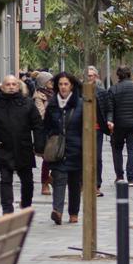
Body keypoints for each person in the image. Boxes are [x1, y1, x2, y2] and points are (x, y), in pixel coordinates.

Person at [0, 75, 43, 214]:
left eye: (13, 84)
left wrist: (38, 146)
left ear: (18, 86)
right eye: (7, 84)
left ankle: (26, 205)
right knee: (5, 180)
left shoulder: (27, 103)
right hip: (4, 148)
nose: (11, 87)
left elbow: (37, 125)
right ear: (2, 87)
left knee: (27, 181)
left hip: (24, 147)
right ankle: (7, 210)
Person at [43, 72, 85, 225]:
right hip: (58, 150)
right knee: (59, 179)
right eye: (60, 84)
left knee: (74, 183)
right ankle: (57, 211)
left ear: (71, 85)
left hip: (76, 149)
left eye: (66, 84)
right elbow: (46, 126)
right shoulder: (53, 104)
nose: (63, 87)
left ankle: (73, 213)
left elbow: (85, 128)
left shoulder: (80, 104)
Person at [106, 65, 133, 186]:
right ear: (130, 74)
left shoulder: (113, 89)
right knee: (132, 150)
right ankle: (131, 179)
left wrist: (110, 121)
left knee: (117, 150)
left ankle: (119, 176)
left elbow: (110, 109)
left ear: (118, 75)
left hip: (118, 125)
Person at [85, 66, 109, 196]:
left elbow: (108, 109)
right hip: (82, 129)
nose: (89, 78)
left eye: (91, 75)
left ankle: (96, 185)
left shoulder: (102, 92)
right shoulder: (78, 91)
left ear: (96, 77)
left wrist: (109, 120)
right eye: (87, 75)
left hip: (97, 130)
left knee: (97, 157)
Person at [32, 71, 55, 195]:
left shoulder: (55, 93)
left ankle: (52, 177)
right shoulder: (38, 96)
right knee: (47, 158)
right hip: (45, 131)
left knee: (59, 156)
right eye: (50, 81)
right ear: (44, 83)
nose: (52, 82)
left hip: (56, 129)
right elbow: (41, 115)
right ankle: (44, 183)